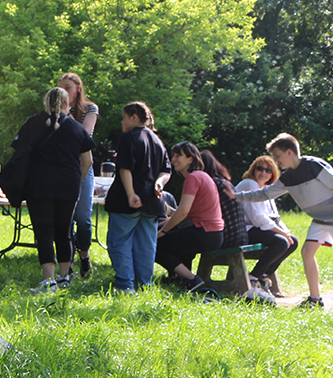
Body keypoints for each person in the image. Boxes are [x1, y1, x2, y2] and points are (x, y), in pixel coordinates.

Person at [225, 133, 333, 314]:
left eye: (278, 156)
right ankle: (315, 299)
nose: (276, 161)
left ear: (289, 152)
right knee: (307, 252)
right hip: (319, 220)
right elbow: (265, 193)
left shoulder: (313, 165)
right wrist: (237, 196)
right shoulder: (288, 178)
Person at [23, 87, 94, 293]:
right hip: (68, 186)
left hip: (39, 185)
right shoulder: (76, 128)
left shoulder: (33, 123)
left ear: (47, 102)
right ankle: (64, 277)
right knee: (64, 232)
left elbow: (21, 152)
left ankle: (49, 280)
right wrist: (77, 179)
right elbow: (88, 161)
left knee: (44, 231)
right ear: (67, 104)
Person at [105, 102, 172, 292]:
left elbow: (124, 168)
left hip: (127, 201)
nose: (122, 122)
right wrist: (159, 184)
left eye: (124, 118)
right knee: (146, 245)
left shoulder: (129, 138)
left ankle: (125, 285)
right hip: (152, 201)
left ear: (134, 117)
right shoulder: (158, 141)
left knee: (120, 242)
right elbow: (166, 171)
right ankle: (144, 285)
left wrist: (130, 194)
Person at [157, 142, 224, 291]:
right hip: (214, 234)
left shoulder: (192, 178)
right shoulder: (203, 176)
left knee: (155, 246)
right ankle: (179, 278)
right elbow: (187, 213)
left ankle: (191, 279)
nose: (174, 159)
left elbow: (183, 212)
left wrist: (163, 231)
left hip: (205, 233)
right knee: (178, 241)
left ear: (190, 159)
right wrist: (165, 222)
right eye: (173, 156)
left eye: (178, 156)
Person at [235, 155, 298, 296]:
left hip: (256, 228)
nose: (263, 173)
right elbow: (257, 218)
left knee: (293, 241)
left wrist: (286, 232)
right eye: (260, 168)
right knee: (281, 242)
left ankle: (264, 276)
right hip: (243, 230)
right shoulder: (250, 184)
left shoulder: (266, 189)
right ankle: (253, 277)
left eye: (268, 170)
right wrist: (282, 233)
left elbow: (274, 216)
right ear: (253, 169)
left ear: (273, 174)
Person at [58, 73, 99, 277]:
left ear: (78, 89)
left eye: (67, 88)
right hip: (61, 167)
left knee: (83, 218)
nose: (63, 92)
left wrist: (66, 117)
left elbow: (84, 134)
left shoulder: (90, 109)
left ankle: (84, 256)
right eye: (60, 89)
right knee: (66, 219)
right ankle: (69, 264)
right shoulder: (54, 110)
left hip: (83, 166)